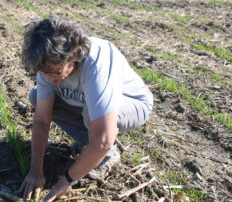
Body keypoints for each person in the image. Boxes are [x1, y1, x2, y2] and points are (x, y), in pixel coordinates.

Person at [18, 16, 153, 202]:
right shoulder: (48, 62)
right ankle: (88, 145)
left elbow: (103, 140)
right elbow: (41, 119)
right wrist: (35, 171)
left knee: (96, 122)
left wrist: (67, 180)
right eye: (43, 73)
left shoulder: (97, 63)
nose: (48, 78)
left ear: (73, 54)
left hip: (133, 103)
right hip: (86, 104)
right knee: (36, 96)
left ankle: (108, 157)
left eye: (55, 72)